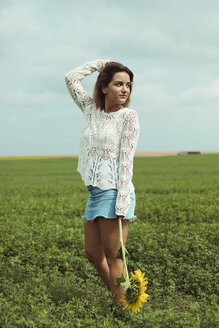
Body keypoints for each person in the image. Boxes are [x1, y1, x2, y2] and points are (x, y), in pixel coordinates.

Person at [65, 59, 139, 305]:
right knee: (93, 253)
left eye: (128, 85)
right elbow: (71, 78)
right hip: (95, 193)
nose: (125, 89)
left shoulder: (128, 116)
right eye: (119, 83)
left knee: (114, 256)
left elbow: (126, 161)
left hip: (115, 191)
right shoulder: (91, 110)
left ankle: (123, 307)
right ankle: (123, 299)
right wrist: (100, 64)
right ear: (104, 87)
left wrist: (122, 201)